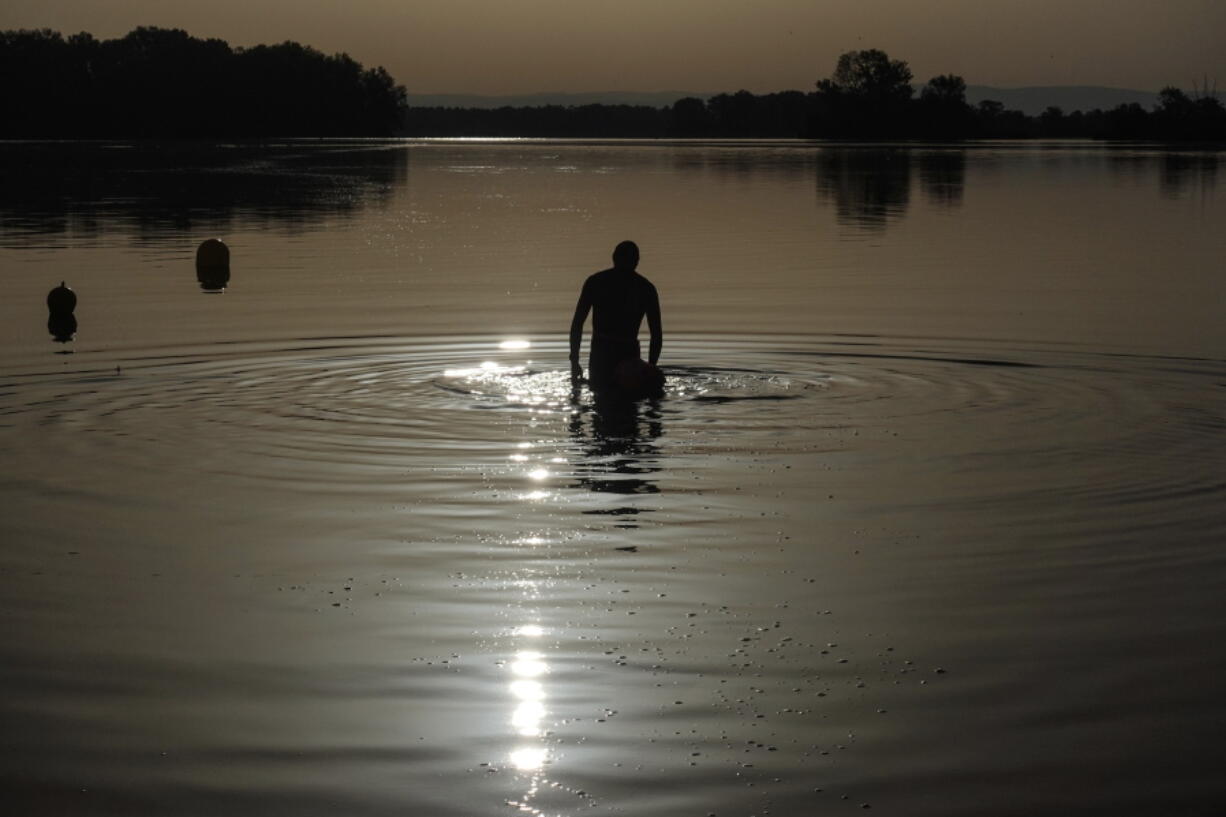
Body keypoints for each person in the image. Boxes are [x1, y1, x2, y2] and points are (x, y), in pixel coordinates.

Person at [569, 240, 662, 393]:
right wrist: (650, 368)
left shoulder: (595, 282)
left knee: (602, 403)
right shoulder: (646, 288)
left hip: (602, 355)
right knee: (628, 408)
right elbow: (656, 334)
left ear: (614, 257)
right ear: (637, 261)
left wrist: (574, 361)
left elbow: (577, 325)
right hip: (628, 358)